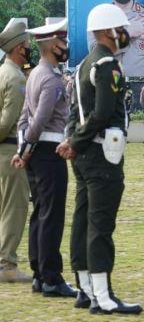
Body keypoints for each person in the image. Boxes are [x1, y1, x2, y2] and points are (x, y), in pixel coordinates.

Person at [58, 3, 142, 314]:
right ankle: (103, 298)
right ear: (108, 31)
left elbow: (74, 113)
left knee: (82, 221)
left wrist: (72, 141)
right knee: (100, 225)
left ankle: (85, 289)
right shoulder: (107, 65)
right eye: (122, 29)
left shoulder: (84, 65)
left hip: (84, 154)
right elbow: (103, 113)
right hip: (101, 154)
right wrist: (76, 142)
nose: (126, 34)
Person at [11, 19, 76, 296]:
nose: (66, 46)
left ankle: (39, 273)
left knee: (40, 213)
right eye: (62, 42)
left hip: (36, 153)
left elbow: (24, 118)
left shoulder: (35, 74)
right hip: (49, 152)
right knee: (52, 215)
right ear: (51, 46)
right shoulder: (51, 79)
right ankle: (51, 277)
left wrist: (23, 150)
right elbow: (39, 120)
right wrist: (26, 150)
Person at [0, 21, 31, 283]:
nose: (30, 49)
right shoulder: (16, 78)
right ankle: (7, 264)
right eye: (28, 45)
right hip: (9, 150)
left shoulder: (2, 72)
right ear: (20, 48)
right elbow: (6, 122)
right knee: (14, 208)